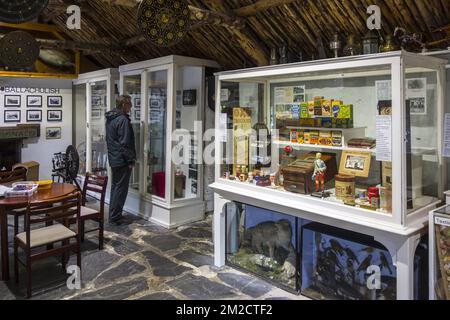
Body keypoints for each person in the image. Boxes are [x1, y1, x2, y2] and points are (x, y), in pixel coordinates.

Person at [105, 95, 136, 225]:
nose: (131, 106)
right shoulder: (122, 120)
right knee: (120, 188)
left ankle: (114, 214)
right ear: (123, 105)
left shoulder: (111, 118)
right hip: (121, 160)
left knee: (116, 187)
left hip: (114, 159)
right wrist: (130, 161)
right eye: (129, 104)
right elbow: (125, 143)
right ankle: (115, 216)